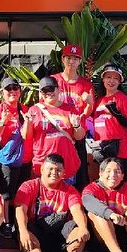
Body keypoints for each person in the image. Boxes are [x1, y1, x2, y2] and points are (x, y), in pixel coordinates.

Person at [15, 154, 91, 252]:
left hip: (61, 236)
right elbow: (20, 209)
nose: (54, 173)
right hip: (37, 235)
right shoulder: (29, 186)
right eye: (50, 169)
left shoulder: (70, 190)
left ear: (64, 173)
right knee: (21, 226)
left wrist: (83, 227)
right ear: (42, 170)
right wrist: (23, 231)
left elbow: (77, 210)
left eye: (58, 170)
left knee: (78, 226)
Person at [22, 76, 85, 181]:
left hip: (65, 165)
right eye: (44, 91)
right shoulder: (34, 110)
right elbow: (26, 136)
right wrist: (28, 123)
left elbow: (79, 137)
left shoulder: (70, 109)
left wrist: (76, 125)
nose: (48, 93)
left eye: (51, 89)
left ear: (58, 89)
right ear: (41, 93)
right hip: (42, 164)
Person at [0, 76, 28, 236]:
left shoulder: (24, 109)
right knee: (6, 193)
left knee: (21, 191)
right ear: (2, 92)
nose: (12, 91)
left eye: (15, 88)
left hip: (25, 157)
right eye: (8, 89)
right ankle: (6, 223)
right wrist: (3, 122)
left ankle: (20, 221)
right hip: (7, 157)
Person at [52, 44, 94, 189]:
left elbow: (88, 111)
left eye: (75, 59)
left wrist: (88, 103)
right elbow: (44, 105)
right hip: (57, 135)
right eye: (68, 58)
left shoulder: (85, 84)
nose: (71, 62)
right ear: (63, 59)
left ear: (80, 61)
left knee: (79, 175)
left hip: (77, 135)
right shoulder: (53, 81)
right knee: (54, 171)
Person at [90, 64, 127, 175]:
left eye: (116, 78)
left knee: (118, 184)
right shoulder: (99, 100)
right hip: (102, 150)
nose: (111, 81)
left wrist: (115, 113)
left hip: (120, 151)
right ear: (103, 79)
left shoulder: (123, 98)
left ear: (120, 82)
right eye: (109, 77)